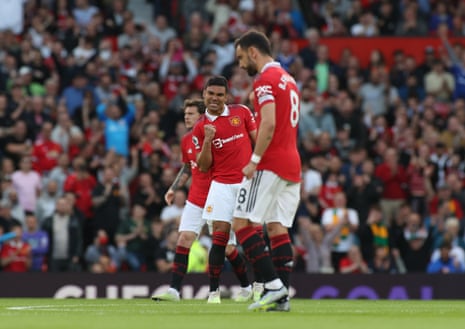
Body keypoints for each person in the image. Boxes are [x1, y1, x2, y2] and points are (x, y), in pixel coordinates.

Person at [152, 98, 253, 303]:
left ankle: (246, 286)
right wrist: (173, 188)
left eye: (190, 114)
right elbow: (188, 166)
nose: (186, 118)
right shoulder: (186, 140)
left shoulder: (218, 134)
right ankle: (174, 291)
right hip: (196, 198)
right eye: (185, 114)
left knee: (227, 248)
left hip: (218, 197)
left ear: (202, 116)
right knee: (184, 239)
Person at [233, 30, 302, 311]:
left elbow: (270, 123)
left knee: (241, 223)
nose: (240, 64)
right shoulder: (289, 79)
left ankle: (273, 286)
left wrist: (255, 159)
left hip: (270, 163)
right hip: (292, 163)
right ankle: (281, 299)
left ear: (253, 52)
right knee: (276, 227)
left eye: (240, 57)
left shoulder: (265, 80)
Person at [192, 77, 257, 304]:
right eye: (211, 93)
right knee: (220, 237)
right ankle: (213, 293)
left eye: (220, 95)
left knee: (251, 236)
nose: (215, 98)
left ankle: (256, 286)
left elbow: (258, 142)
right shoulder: (200, 126)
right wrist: (208, 139)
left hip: (246, 183)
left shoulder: (242, 112)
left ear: (226, 96)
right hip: (220, 185)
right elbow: (202, 166)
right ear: (204, 95)